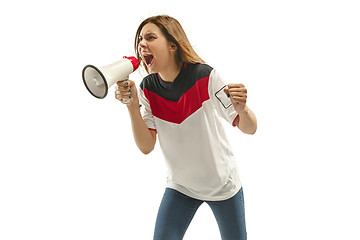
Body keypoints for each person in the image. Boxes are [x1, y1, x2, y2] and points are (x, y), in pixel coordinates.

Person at [115, 15, 257, 240]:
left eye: (150, 37)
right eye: (140, 39)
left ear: (173, 45)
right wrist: (132, 106)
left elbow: (250, 128)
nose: (142, 44)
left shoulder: (205, 76)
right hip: (181, 187)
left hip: (222, 186)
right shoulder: (147, 89)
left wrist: (242, 110)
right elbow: (146, 146)